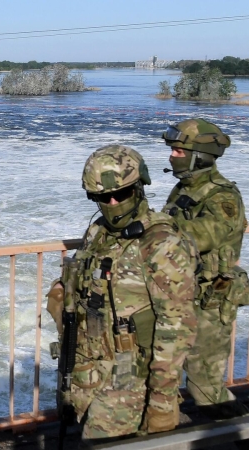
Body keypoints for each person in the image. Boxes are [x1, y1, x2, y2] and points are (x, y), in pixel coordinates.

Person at [46, 145, 197, 442]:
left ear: (139, 186)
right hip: (90, 369)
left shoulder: (161, 243)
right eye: (102, 197)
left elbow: (176, 329)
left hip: (130, 379)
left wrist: (163, 402)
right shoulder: (99, 232)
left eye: (122, 194)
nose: (112, 202)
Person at [161, 118, 249, 420]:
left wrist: (155, 229)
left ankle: (247, 436)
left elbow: (203, 235)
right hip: (180, 296)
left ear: (199, 155)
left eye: (178, 151)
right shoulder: (183, 188)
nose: (172, 156)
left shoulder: (222, 196)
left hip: (211, 300)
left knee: (205, 386)